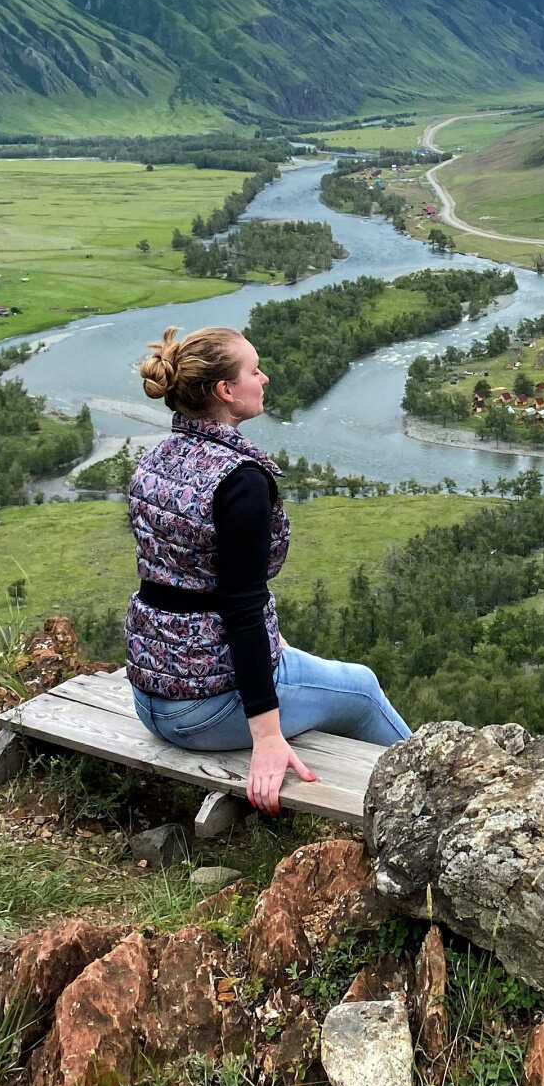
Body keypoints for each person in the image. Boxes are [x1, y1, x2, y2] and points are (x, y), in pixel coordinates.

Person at [125, 324, 410, 813]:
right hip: (203, 709)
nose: (266, 378)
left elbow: (179, 582)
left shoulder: (155, 458)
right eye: (254, 370)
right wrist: (268, 737)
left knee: (305, 665)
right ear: (226, 391)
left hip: (151, 695)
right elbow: (241, 609)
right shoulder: (241, 481)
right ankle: (441, 790)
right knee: (360, 688)